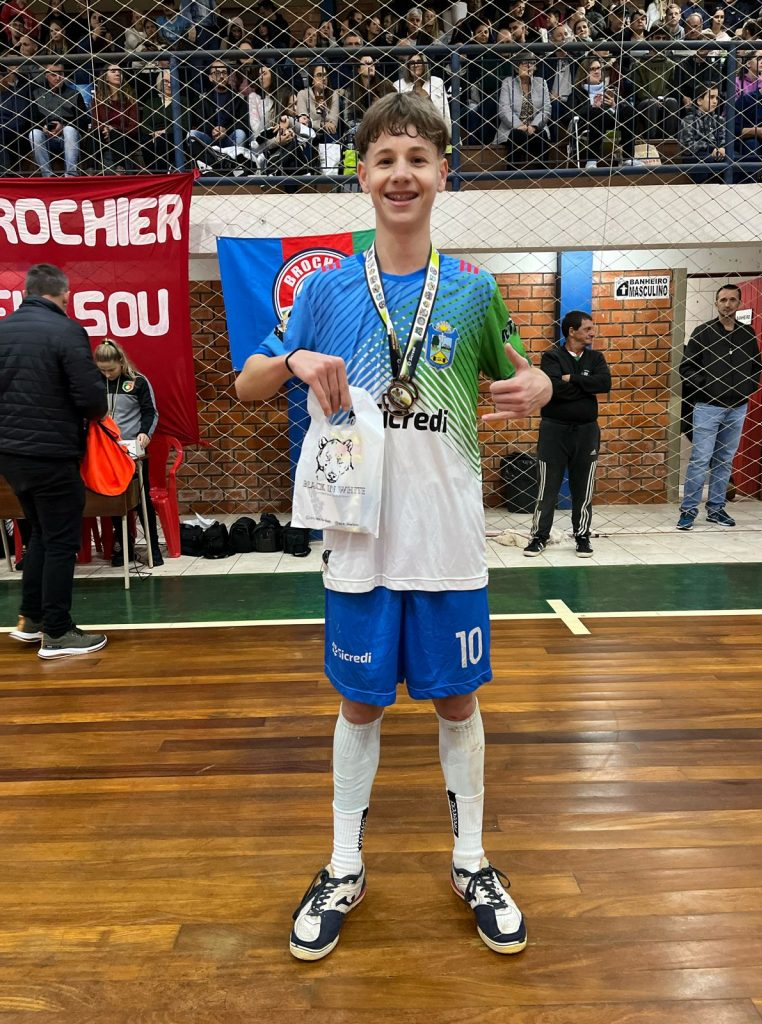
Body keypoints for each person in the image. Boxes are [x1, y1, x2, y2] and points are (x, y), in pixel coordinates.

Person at [234, 91, 552, 962]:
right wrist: (294, 358)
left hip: (446, 542)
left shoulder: (475, 291)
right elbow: (249, 382)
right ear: (362, 177)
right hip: (359, 540)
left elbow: (524, 372)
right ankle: (344, 865)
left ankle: (472, 860)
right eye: (384, 160)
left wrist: (541, 384)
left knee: (457, 698)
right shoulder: (327, 288)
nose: (401, 174)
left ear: (444, 173)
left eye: (417, 158)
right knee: (360, 703)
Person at [0, 264, 108, 659]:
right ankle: (58, 633)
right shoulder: (67, 331)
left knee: (41, 535)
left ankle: (31, 619)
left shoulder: (3, 330)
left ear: (27, 292)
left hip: (10, 454)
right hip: (52, 453)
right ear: (65, 295)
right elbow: (92, 400)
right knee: (61, 540)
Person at [523, 310, 610, 558]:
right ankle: (539, 537)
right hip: (554, 431)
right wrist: (585, 386)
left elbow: (604, 384)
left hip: (586, 432)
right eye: (587, 329)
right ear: (572, 331)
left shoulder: (596, 358)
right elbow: (553, 389)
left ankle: (582, 536)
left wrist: (571, 378)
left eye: (592, 328)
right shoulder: (552, 357)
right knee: (547, 488)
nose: (592, 333)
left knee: (583, 488)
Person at [677, 284, 761, 530]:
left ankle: (716, 509)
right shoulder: (702, 333)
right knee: (700, 459)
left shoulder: (747, 334)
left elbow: (756, 367)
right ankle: (688, 511)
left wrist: (745, 389)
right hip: (708, 407)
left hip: (737, 407)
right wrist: (707, 387)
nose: (727, 304)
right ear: (716, 303)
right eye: (723, 299)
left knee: (725, 459)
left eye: (732, 299)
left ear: (739, 303)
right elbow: (686, 367)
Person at [93, 339, 164, 567]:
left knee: (142, 499)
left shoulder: (138, 382)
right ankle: (124, 545)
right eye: (102, 370)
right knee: (114, 498)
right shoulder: (95, 383)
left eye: (111, 370)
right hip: (105, 451)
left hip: (133, 450)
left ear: (121, 362)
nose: (107, 375)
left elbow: (150, 412)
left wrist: (145, 433)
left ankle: (153, 547)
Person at [28, 60, 85, 177]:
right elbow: (30, 120)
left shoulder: (74, 94)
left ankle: (71, 175)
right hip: (46, 137)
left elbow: (83, 120)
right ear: (46, 75)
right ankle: (47, 176)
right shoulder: (36, 93)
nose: (58, 78)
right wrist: (43, 127)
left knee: (69, 130)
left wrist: (63, 126)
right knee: (34, 134)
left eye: (61, 74)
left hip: (68, 138)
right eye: (54, 74)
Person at [496, 50, 551, 167]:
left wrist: (534, 126)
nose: (529, 66)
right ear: (517, 67)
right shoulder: (508, 83)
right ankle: (512, 172)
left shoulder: (541, 83)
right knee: (518, 135)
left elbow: (546, 109)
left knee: (541, 135)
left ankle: (542, 173)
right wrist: (519, 125)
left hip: (535, 127)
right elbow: (504, 109)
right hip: (513, 128)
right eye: (525, 63)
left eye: (532, 63)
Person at [91, 64, 141, 173]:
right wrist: (105, 128)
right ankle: (91, 169)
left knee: (115, 133)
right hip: (104, 136)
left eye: (119, 71)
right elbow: (95, 123)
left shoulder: (130, 97)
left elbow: (134, 127)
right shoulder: (98, 98)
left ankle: (120, 168)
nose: (118, 74)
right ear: (105, 77)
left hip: (126, 137)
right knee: (93, 134)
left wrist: (113, 129)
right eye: (113, 71)